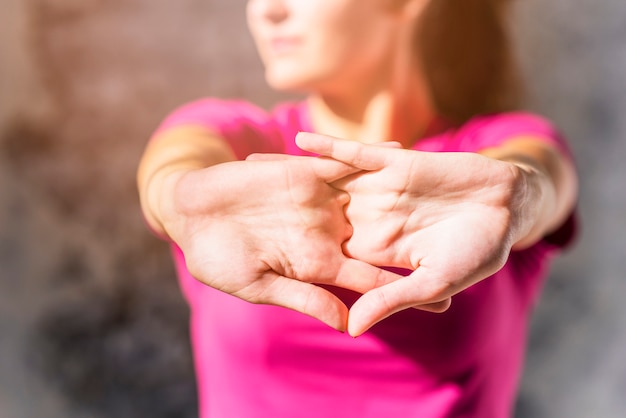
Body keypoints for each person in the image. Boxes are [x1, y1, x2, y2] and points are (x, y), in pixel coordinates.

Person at [137, 0, 578, 416]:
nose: (267, 10)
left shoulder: (488, 158)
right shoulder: (232, 147)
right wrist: (175, 197)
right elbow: (176, 163)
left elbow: (536, 174)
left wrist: (521, 196)